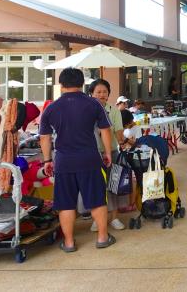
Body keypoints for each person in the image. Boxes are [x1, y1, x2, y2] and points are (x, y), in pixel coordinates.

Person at [39, 68, 116, 253]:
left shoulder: (51, 108)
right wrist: (108, 153)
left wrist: (47, 160)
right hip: (89, 158)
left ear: (61, 84)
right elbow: (105, 130)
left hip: (64, 161)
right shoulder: (94, 104)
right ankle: (103, 237)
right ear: (82, 84)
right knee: (97, 199)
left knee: (65, 202)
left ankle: (69, 242)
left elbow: (44, 137)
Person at [86, 79, 127, 232]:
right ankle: (97, 218)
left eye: (105, 92)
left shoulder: (114, 111)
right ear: (91, 93)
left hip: (113, 152)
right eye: (98, 92)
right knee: (96, 187)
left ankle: (114, 217)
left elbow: (119, 132)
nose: (102, 94)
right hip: (93, 154)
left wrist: (123, 140)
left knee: (114, 185)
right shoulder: (86, 110)